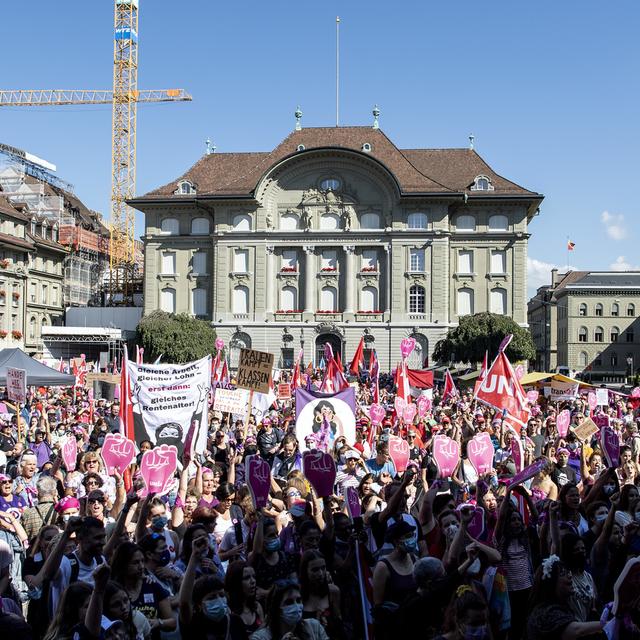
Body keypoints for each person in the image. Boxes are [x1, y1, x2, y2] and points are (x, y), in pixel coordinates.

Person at [526, 555, 603, 640]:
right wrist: (607, 624)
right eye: (563, 574)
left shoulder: (559, 604)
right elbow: (577, 630)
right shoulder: (546, 612)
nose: (570, 576)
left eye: (568, 572)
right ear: (551, 584)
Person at [110, 540, 176, 636]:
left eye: (142, 561)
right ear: (123, 564)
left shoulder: (152, 585)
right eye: (135, 562)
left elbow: (172, 623)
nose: (141, 566)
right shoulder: (114, 589)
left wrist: (159, 622)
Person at [250, 579, 328, 640]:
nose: (296, 606)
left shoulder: (315, 627)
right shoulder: (260, 637)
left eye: (298, 600)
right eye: (289, 602)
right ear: (276, 608)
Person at [225, 560, 264, 636]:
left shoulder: (257, 607)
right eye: (246, 578)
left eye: (254, 576)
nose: (253, 581)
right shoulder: (228, 611)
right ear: (235, 582)